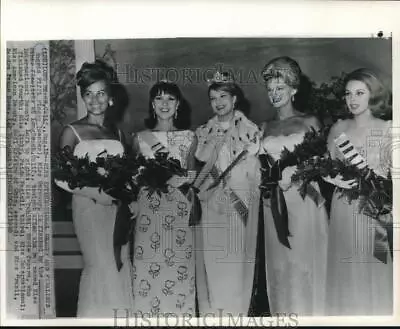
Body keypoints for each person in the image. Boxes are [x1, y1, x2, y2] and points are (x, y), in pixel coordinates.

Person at [55, 60, 134, 317]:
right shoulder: (73, 131)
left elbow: (126, 175)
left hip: (116, 209)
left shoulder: (119, 134)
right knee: (99, 264)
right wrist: (94, 193)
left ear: (110, 97)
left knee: (118, 262)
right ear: (83, 97)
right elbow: (59, 176)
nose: (95, 100)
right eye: (89, 94)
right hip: (88, 208)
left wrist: (129, 199)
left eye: (101, 93)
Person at [260, 56, 329, 315]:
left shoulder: (310, 121)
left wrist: (298, 174)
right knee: (281, 264)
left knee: (305, 259)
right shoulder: (264, 126)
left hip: (305, 198)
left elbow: (325, 164)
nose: (274, 95)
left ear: (293, 89)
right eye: (270, 90)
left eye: (280, 88)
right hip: (275, 203)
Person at [324, 68, 393, 315]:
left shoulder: (388, 128)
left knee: (373, 264)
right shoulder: (338, 128)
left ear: (372, 94)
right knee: (346, 267)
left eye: (360, 93)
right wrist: (338, 179)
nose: (352, 99)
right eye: (348, 93)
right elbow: (325, 168)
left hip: (373, 207)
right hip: (343, 205)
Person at [193, 72, 261, 316]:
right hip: (211, 203)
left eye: (223, 96)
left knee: (236, 260)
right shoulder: (203, 132)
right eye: (213, 98)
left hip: (238, 203)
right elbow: (200, 163)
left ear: (234, 99)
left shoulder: (251, 130)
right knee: (214, 261)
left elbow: (254, 171)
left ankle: (236, 313)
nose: (218, 102)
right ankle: (214, 315)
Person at [129, 81, 198, 317]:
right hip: (149, 209)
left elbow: (192, 173)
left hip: (178, 208)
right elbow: (132, 176)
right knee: (149, 265)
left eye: (170, 99)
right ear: (152, 104)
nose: (165, 104)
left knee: (179, 267)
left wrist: (187, 179)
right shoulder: (140, 138)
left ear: (178, 104)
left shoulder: (189, 137)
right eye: (159, 99)